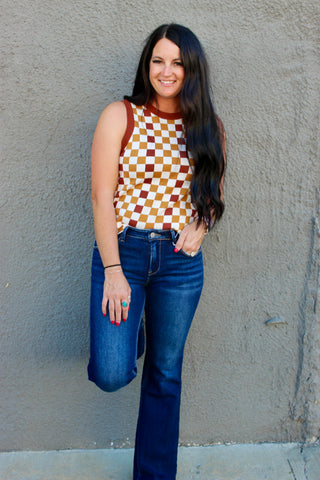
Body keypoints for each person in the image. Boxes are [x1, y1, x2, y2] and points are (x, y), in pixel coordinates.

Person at [87, 23, 226, 480]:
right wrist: (111, 269)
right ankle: (132, 336)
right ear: (147, 66)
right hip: (122, 254)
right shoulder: (119, 115)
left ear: (192, 70)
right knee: (111, 371)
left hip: (179, 264)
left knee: (165, 375)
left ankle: (154, 475)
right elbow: (100, 198)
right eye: (158, 61)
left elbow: (212, 192)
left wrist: (201, 225)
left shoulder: (206, 126)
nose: (167, 71)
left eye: (178, 63)